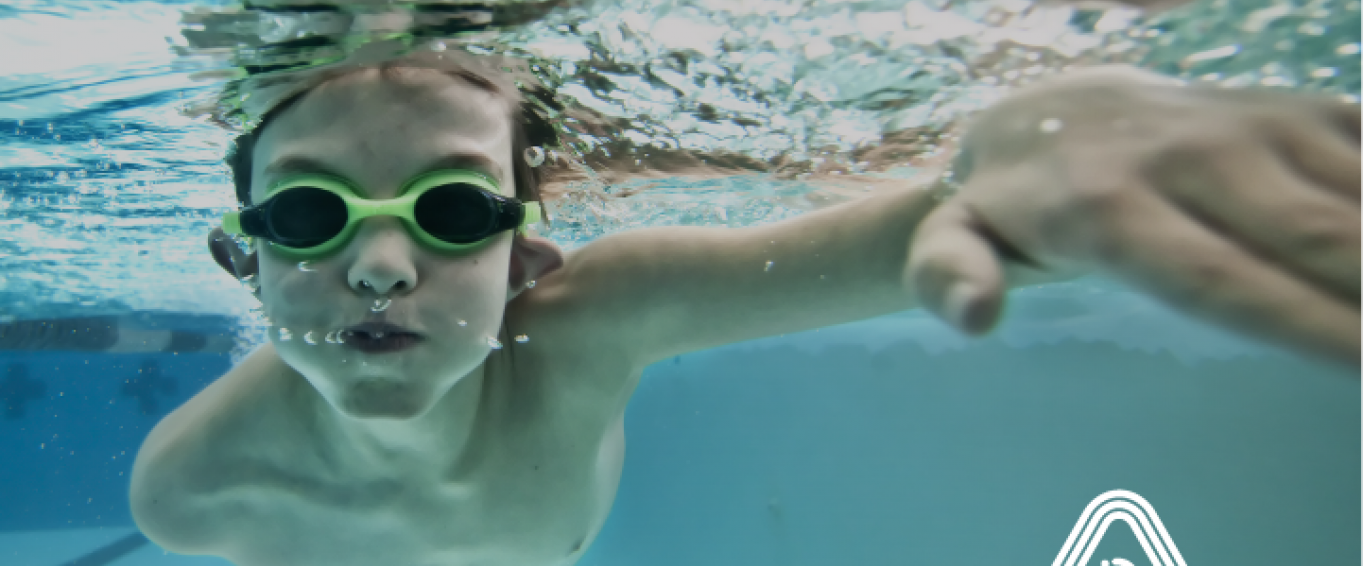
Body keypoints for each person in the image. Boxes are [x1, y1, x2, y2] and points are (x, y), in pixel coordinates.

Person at [129, 43, 1361, 566]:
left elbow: (913, 235)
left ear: (525, 260)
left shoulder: (602, 316)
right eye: (305, 215)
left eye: (454, 210)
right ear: (244, 260)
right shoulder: (186, 490)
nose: (382, 265)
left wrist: (1050, 176)